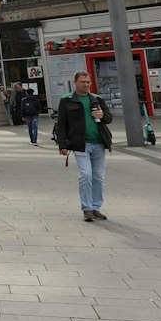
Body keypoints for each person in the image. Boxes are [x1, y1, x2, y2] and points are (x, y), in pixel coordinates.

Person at [53, 71, 112, 222]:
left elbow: (109, 118)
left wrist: (102, 116)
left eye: (88, 82)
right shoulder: (66, 100)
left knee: (98, 176)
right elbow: (61, 124)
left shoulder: (97, 99)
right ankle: (87, 209)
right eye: (82, 82)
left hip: (99, 143)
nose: (86, 84)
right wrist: (62, 144)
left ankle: (95, 207)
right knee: (86, 175)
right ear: (75, 83)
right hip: (80, 144)